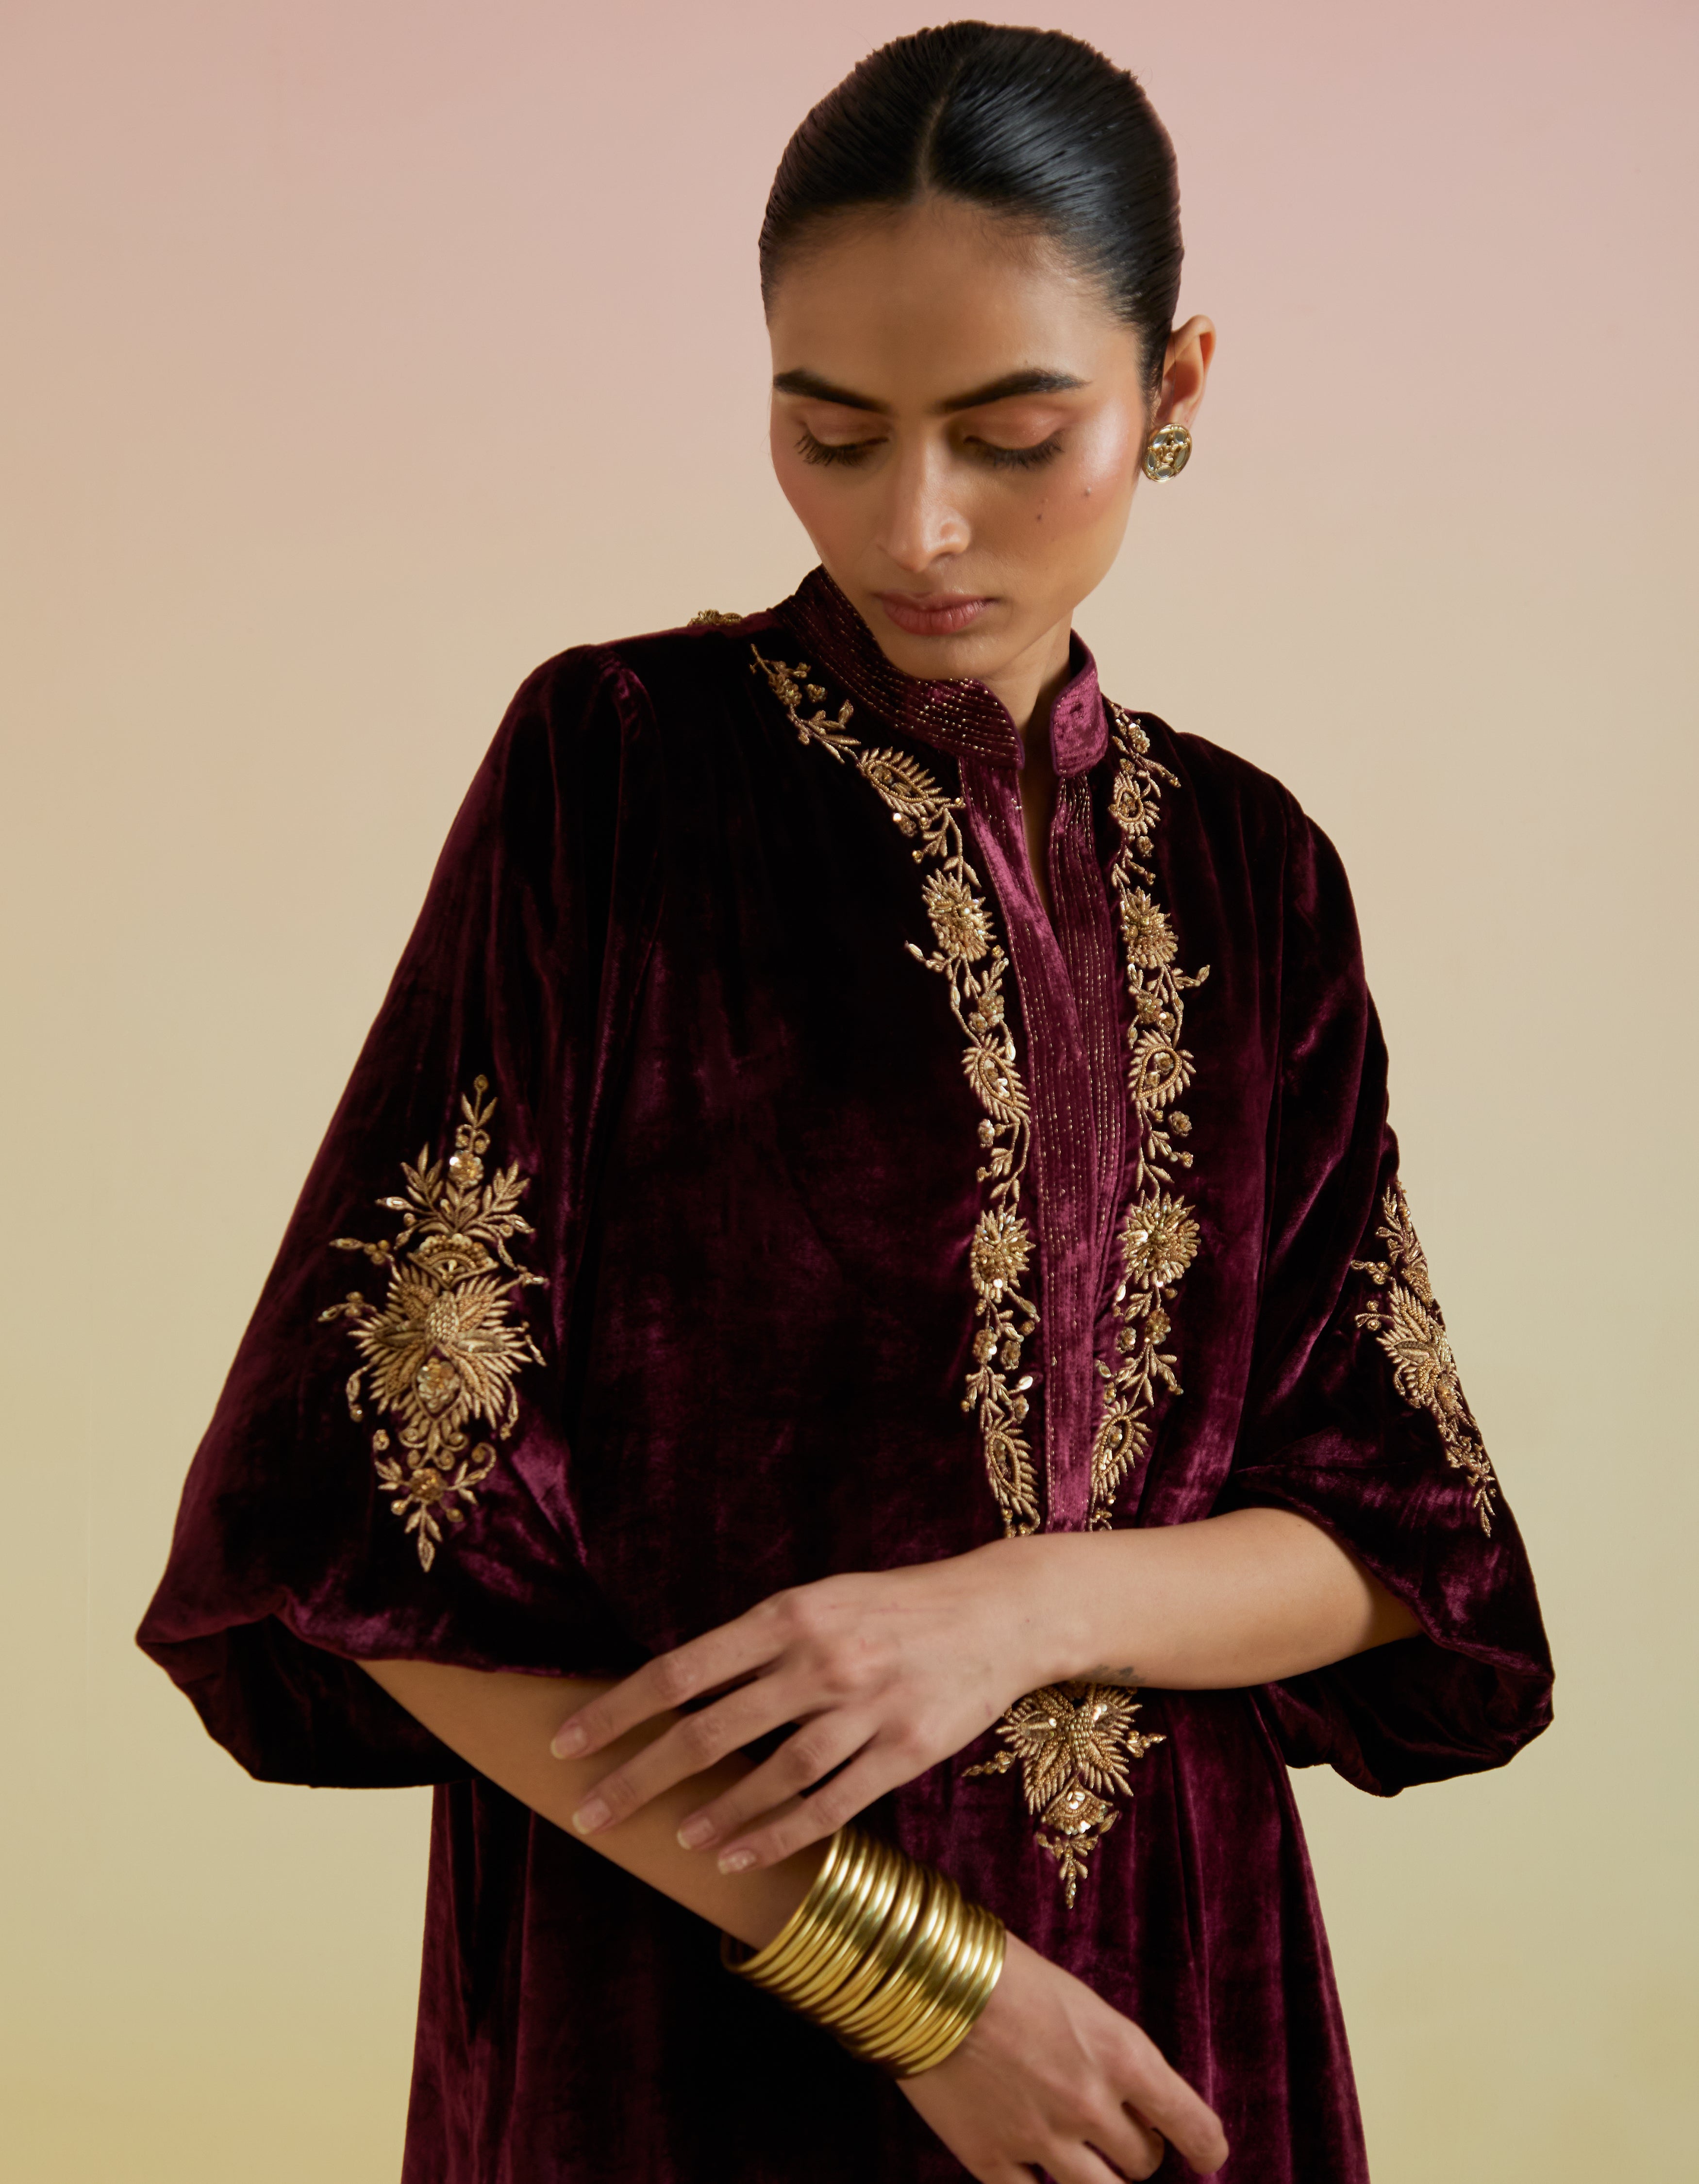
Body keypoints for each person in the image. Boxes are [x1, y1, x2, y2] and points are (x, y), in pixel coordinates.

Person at [139, 22, 1552, 2183]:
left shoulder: (1253, 872)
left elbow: (1400, 1549)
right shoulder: (619, 773)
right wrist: (914, 1980)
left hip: (1171, 2010)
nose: (918, 523)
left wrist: (1012, 1609)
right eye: (831, 431)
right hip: (690, 2018)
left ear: (1175, 388)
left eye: (1014, 434)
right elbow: (355, 1530)